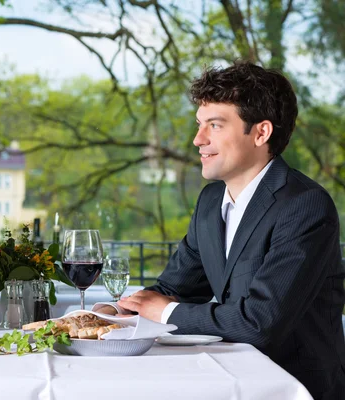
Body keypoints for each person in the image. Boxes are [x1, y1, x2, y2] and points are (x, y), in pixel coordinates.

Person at [107, 62, 345, 399]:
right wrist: (108, 316)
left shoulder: (305, 206)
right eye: (199, 125)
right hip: (230, 380)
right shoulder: (211, 200)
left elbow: (259, 323)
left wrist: (164, 310)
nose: (197, 139)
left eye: (215, 126)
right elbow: (174, 288)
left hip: (294, 388)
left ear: (261, 133)